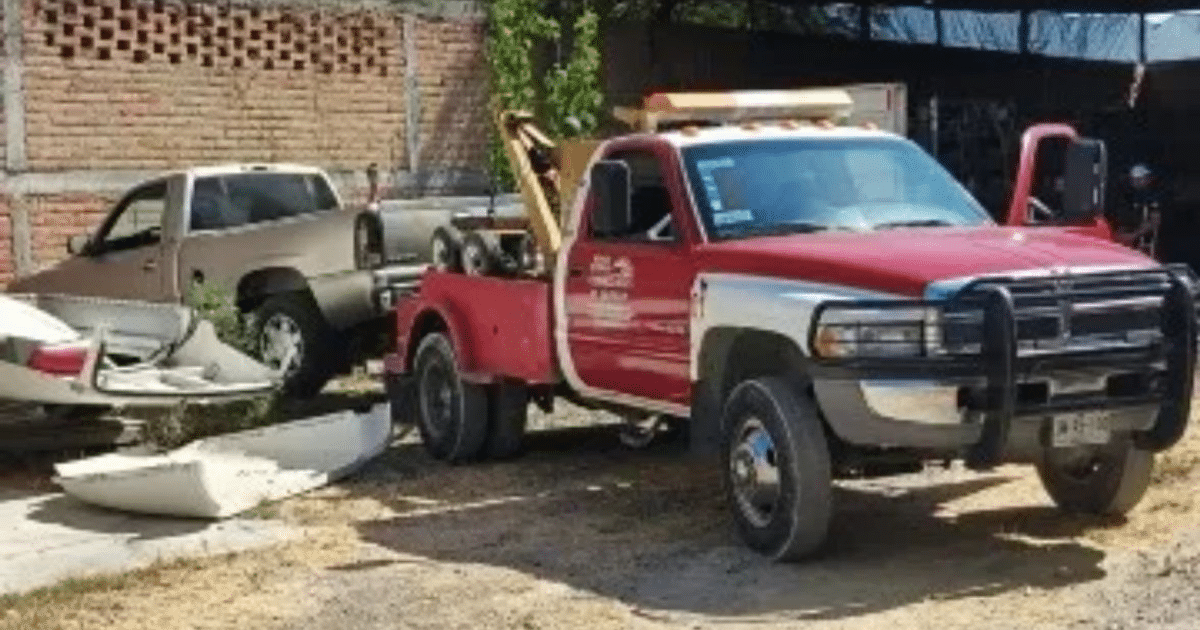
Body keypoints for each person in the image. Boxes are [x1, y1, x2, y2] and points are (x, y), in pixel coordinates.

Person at [1112, 163, 1163, 257]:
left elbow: (1154, 222)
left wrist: (1133, 235)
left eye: (1140, 179)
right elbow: (1121, 218)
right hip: (1126, 241)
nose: (1136, 182)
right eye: (1133, 179)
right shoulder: (1126, 196)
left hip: (1145, 242)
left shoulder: (1153, 197)